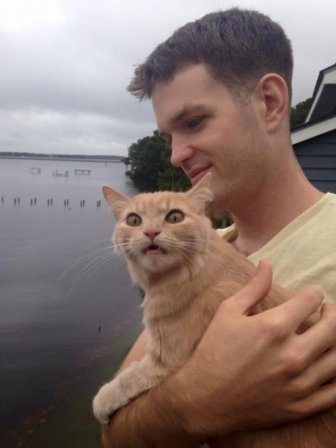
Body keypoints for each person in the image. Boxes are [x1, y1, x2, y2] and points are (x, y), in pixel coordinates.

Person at [101, 8, 336, 447]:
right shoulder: (194, 255)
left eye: (193, 123)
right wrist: (194, 404)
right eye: (168, 137)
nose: (175, 156)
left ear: (269, 102)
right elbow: (114, 433)